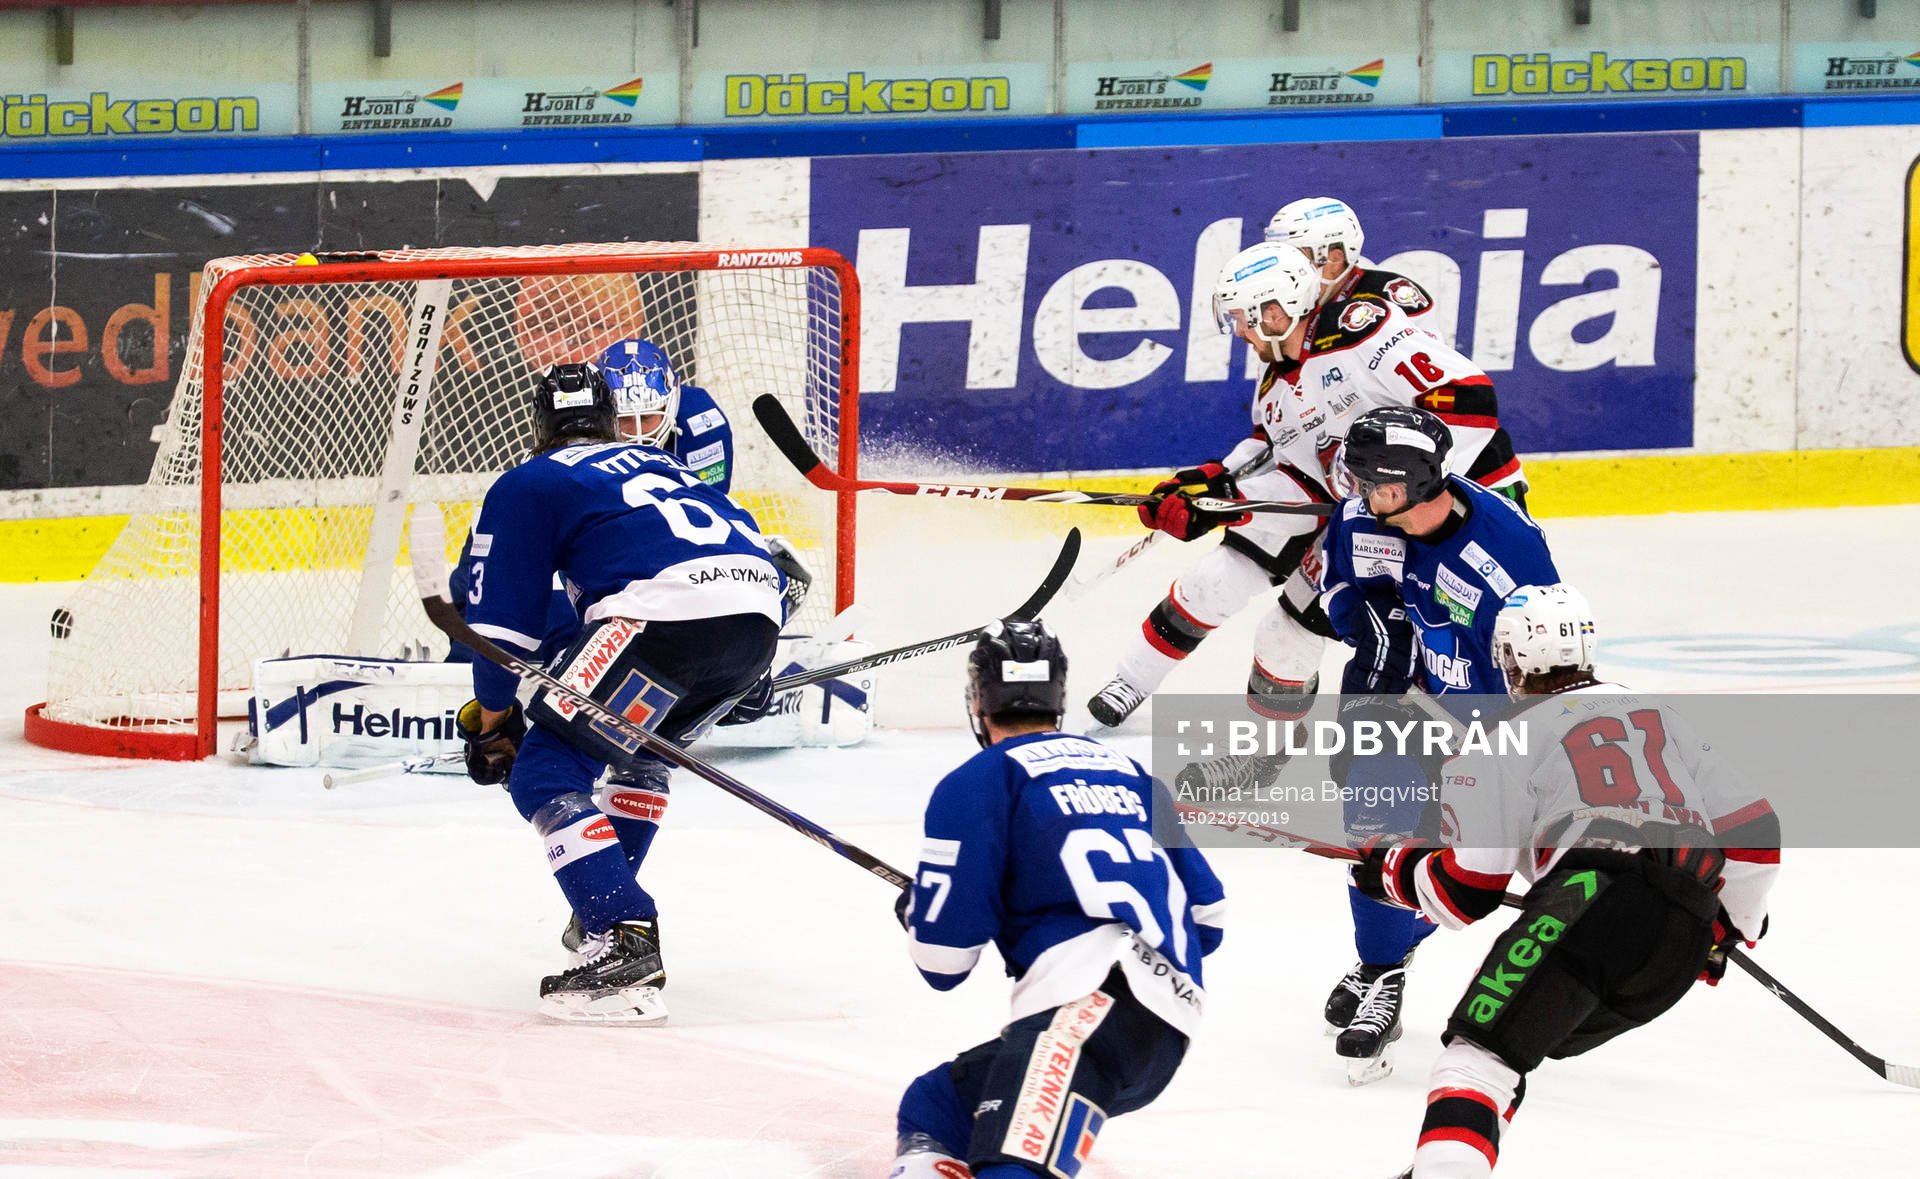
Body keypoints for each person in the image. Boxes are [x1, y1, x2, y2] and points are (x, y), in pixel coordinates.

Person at [1352, 584, 1780, 1177]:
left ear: (1510, 660)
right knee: (1512, 1044)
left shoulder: (1502, 740)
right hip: (1678, 939)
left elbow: (1466, 891)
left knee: (1480, 1061)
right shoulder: (1661, 716)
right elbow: (1756, 829)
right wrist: (1728, 926)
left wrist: (1395, 871)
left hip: (1589, 899)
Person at [455, 361, 783, 1025]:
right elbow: (750, 562)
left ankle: (623, 929)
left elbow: (498, 631)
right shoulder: (668, 468)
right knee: (637, 755)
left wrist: (493, 725)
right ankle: (603, 893)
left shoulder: (532, 480)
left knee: (546, 768)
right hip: (758, 620)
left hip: (659, 620)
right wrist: (751, 670)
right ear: (608, 422)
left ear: (539, 426)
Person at [890, 620, 1225, 1179]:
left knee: (1012, 1169)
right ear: (1059, 698)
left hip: (1084, 1008)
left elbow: (943, 964)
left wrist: (925, 911)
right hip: (1162, 1028)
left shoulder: (979, 779)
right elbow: (1208, 921)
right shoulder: (1131, 772)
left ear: (978, 700)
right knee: (939, 1106)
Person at [1313, 404, 1563, 1081]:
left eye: (1368, 478)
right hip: (1413, 698)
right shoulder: (1364, 520)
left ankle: (1392, 947)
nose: (1356, 490)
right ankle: (1383, 970)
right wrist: (1378, 636)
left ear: (1406, 484)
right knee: (1375, 832)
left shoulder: (1506, 552)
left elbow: (1546, 663)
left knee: (1513, 872)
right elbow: (1344, 597)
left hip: (1498, 727)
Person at [1087, 242, 1337, 743]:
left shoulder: (1348, 357)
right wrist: (1204, 481)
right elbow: (1271, 447)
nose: (1240, 332)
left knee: (1287, 640)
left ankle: (1273, 746)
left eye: (1246, 318)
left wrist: (1220, 505)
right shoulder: (1275, 378)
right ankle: (1132, 680)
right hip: (1302, 502)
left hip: (1368, 523)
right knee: (1209, 583)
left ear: (1278, 309)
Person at [1265, 196, 1527, 504]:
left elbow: (1424, 398)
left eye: (1297, 257)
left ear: (1334, 258)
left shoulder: (1389, 299)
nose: (1284, 270)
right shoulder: (1285, 322)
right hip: (1376, 484)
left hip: (1461, 474)